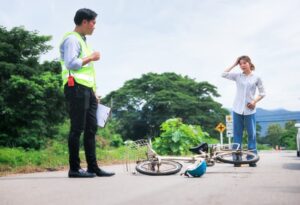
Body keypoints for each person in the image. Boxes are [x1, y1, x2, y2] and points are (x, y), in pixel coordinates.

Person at [60, 8, 115, 178]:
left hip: (87, 90)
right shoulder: (72, 39)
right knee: (77, 129)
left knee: (91, 129)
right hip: (75, 87)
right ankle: (74, 169)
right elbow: (71, 63)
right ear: (84, 22)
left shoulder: (83, 41)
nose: (94, 26)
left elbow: (88, 72)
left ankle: (93, 168)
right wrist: (91, 57)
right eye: (93, 22)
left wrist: (94, 92)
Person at [222, 55, 266, 167]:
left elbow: (262, 93)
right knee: (237, 134)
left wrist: (254, 102)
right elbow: (224, 74)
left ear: (249, 63)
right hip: (237, 109)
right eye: (240, 63)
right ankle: (237, 159)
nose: (242, 65)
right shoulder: (238, 76)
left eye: (244, 63)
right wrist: (234, 63)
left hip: (250, 110)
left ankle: (251, 159)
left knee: (251, 135)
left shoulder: (257, 77)